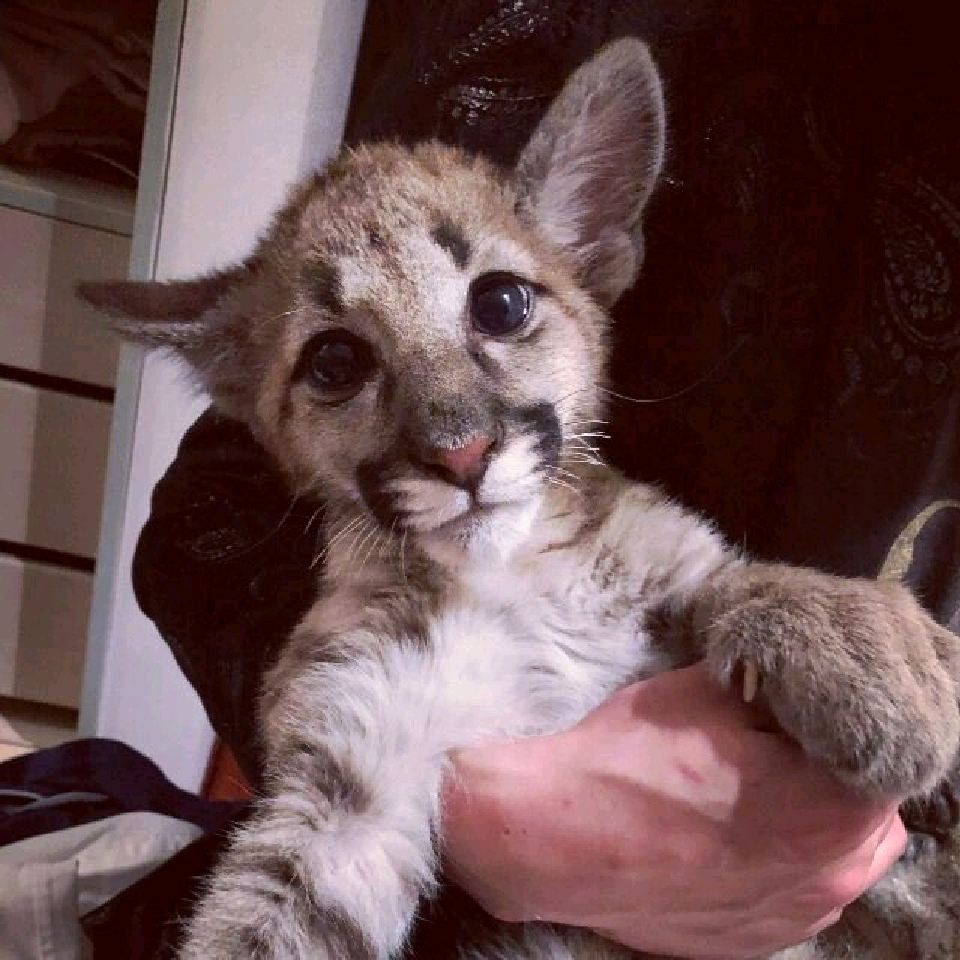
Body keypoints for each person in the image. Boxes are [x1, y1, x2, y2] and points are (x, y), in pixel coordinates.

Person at [101, 2, 960, 957]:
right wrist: (484, 825)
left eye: (501, 307)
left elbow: (731, 604)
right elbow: (328, 852)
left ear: (589, 251)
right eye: (339, 364)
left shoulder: (625, 525)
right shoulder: (368, 605)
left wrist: (788, 616)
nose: (456, 439)